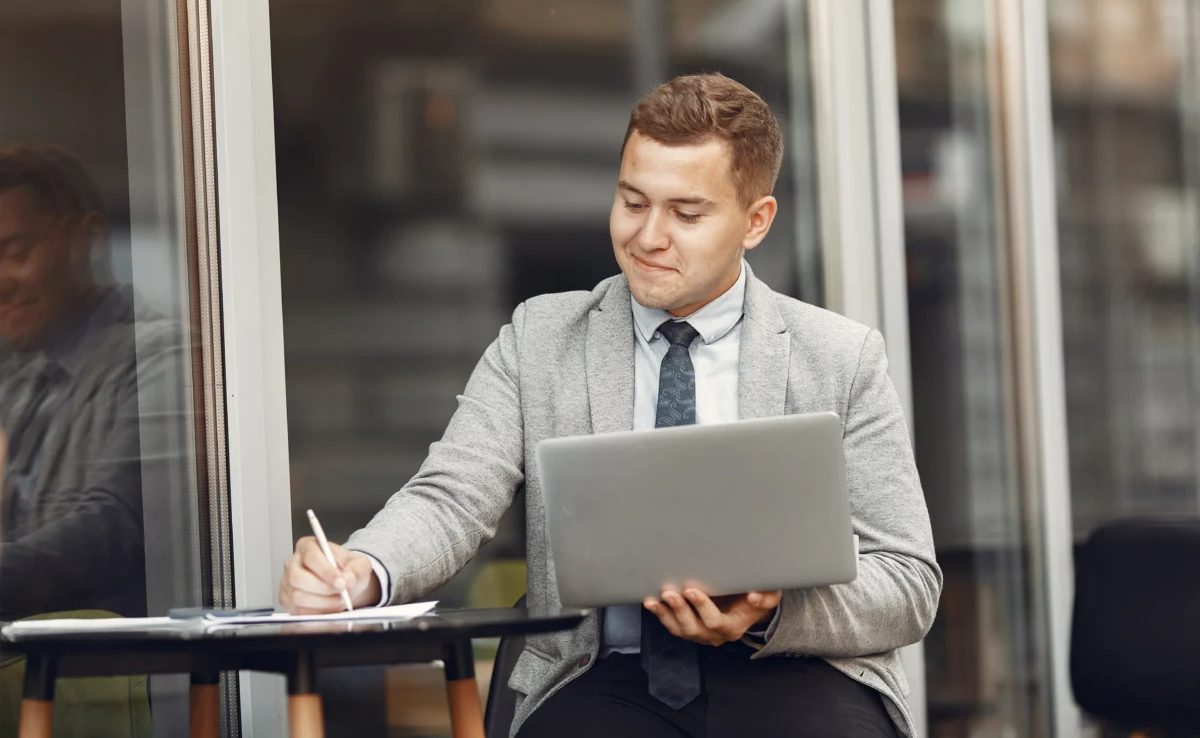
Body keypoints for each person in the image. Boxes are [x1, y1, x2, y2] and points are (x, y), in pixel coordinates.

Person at [279, 73, 942, 737]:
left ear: (756, 222)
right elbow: (451, 498)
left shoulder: (840, 356)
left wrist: (770, 614)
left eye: (686, 214)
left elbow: (907, 582)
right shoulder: (539, 338)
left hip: (797, 670)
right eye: (632, 202)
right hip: (601, 679)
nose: (648, 236)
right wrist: (364, 570)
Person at [0, 144, 178, 620]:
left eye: (16, 252)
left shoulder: (163, 356)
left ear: (90, 238)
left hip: (118, 676)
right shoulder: (19, 386)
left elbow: (113, 529)